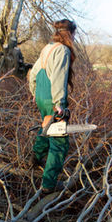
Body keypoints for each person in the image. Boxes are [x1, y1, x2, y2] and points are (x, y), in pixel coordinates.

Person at [29, 19, 77, 194]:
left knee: (46, 127)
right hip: (52, 99)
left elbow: (33, 73)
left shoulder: (47, 48)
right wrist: (59, 104)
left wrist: (34, 92)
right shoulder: (62, 50)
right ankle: (48, 185)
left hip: (42, 96)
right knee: (59, 142)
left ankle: (35, 158)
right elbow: (58, 78)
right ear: (71, 34)